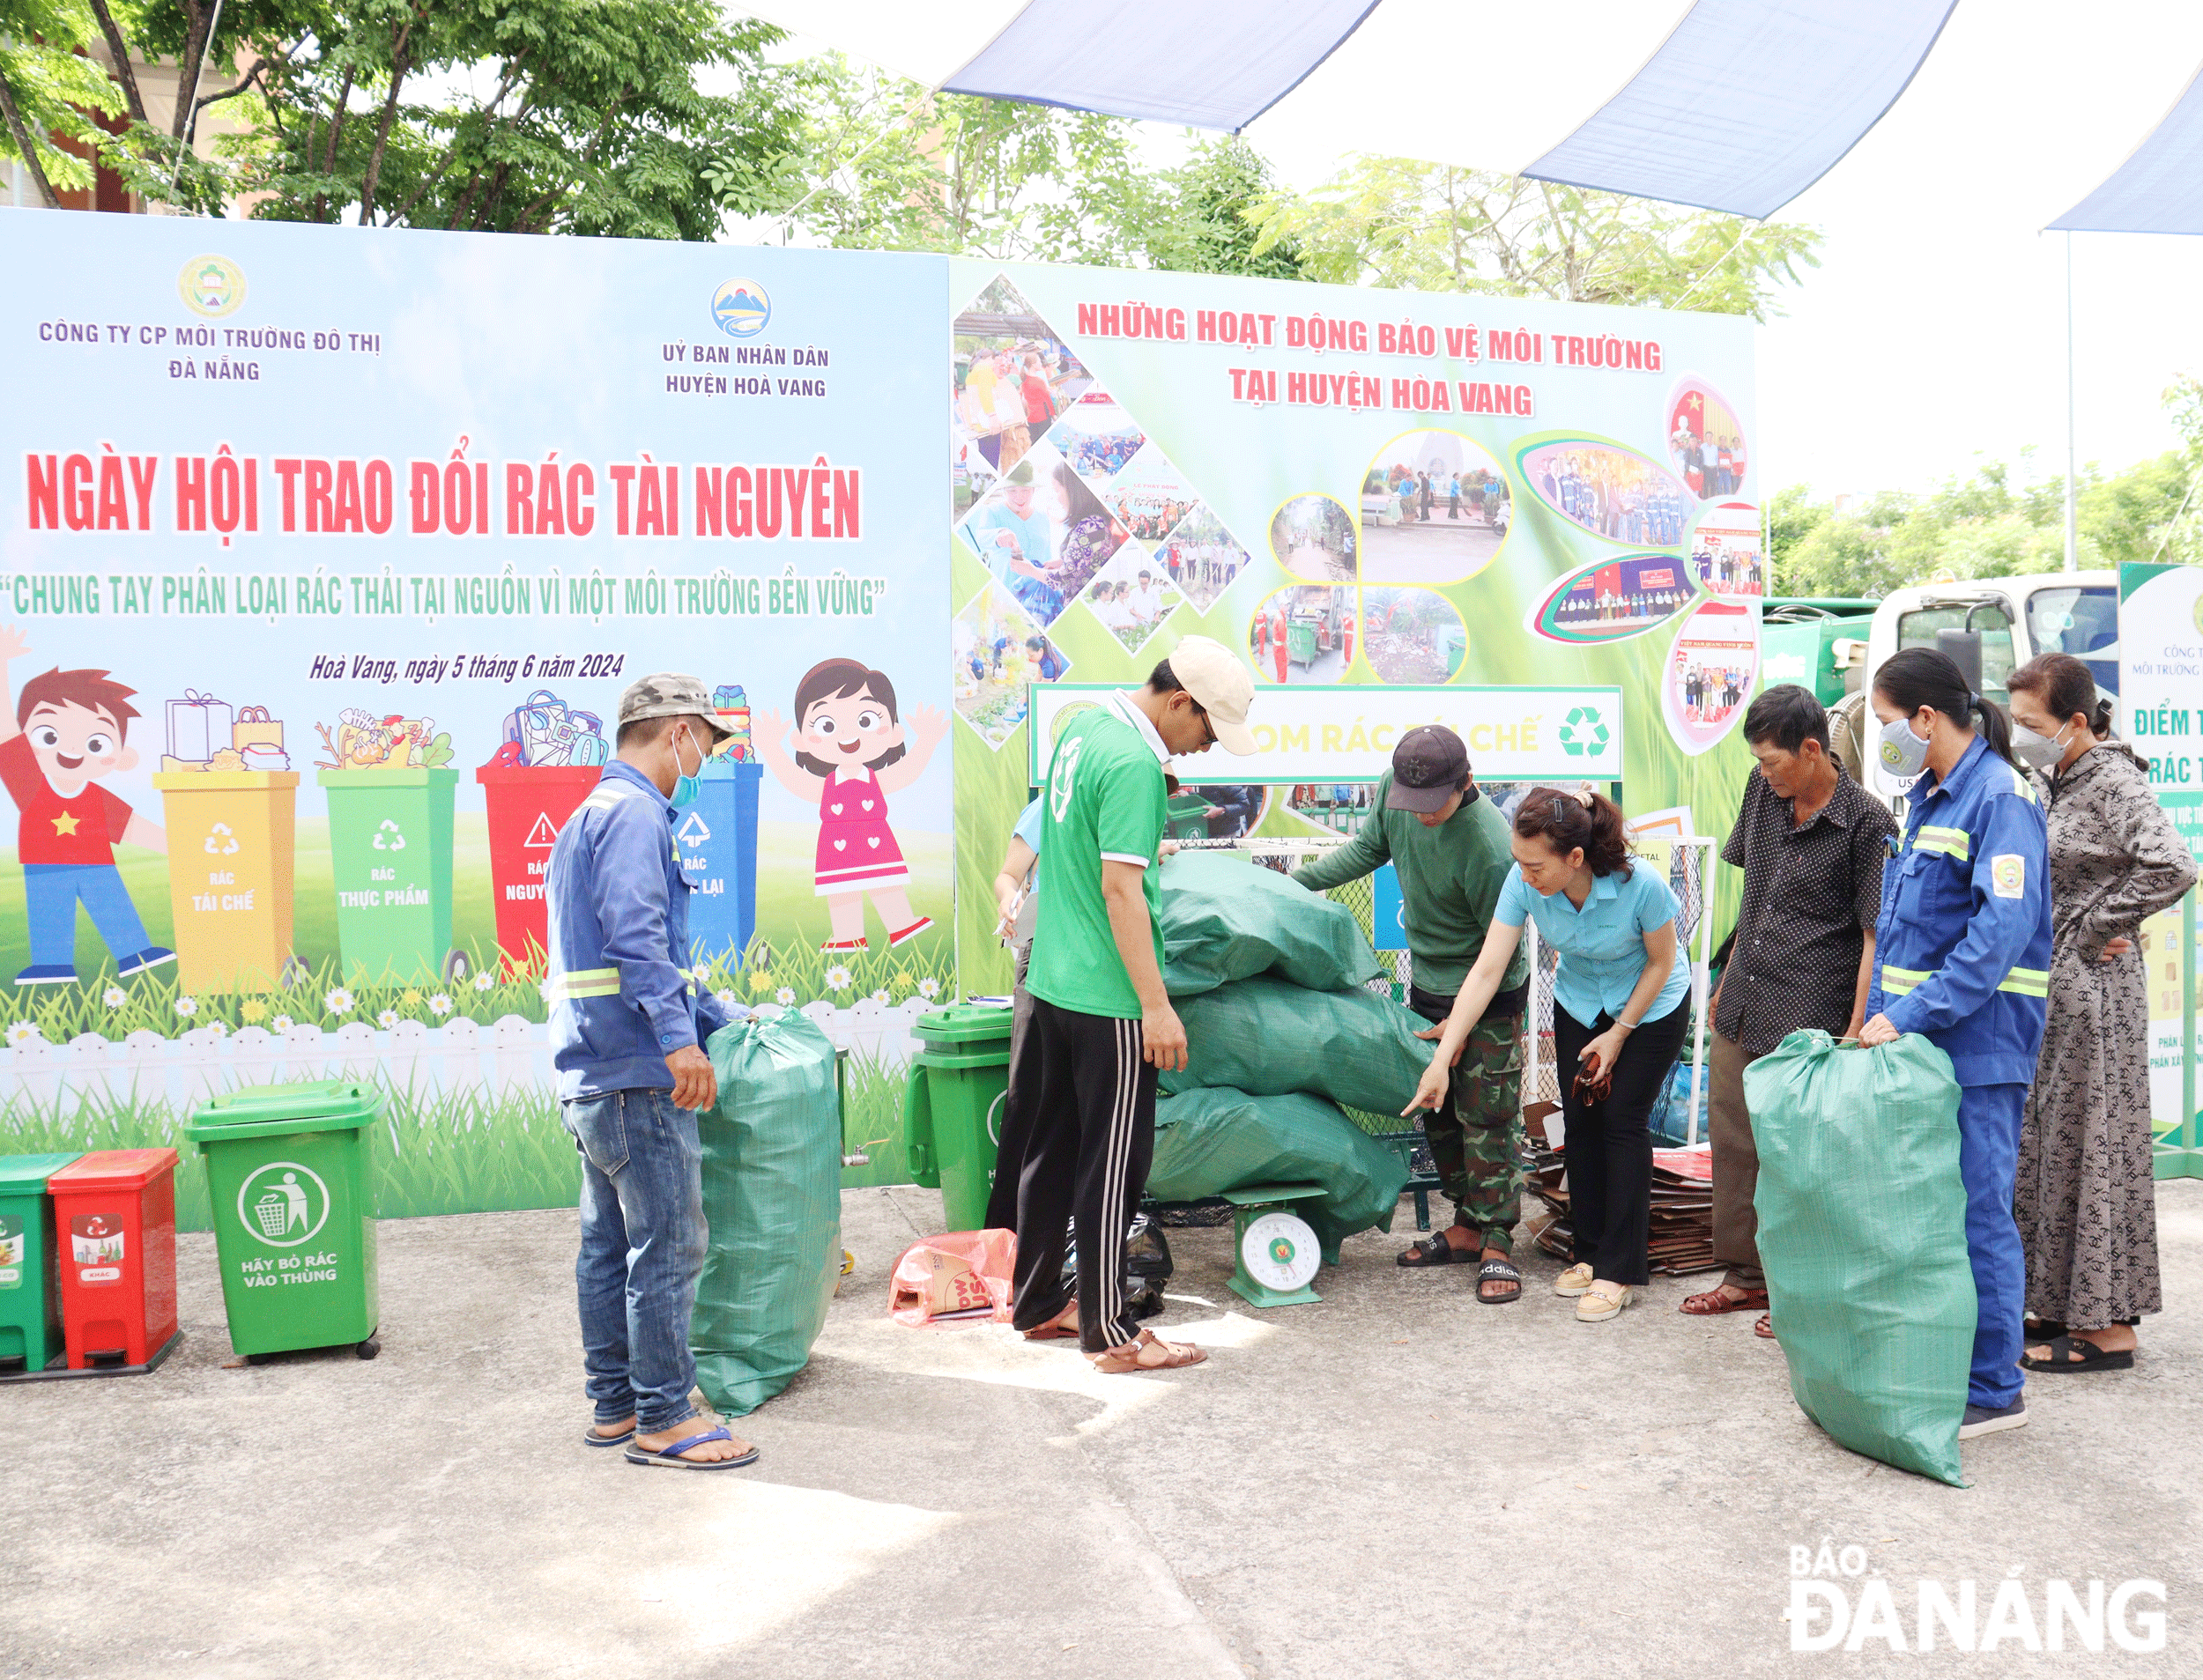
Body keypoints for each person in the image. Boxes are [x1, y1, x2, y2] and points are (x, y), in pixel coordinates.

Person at [990, 639, 1256, 1371]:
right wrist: (1156, 1006)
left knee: (1050, 1151)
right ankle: (1110, 1332)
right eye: (1207, 731)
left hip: (1050, 979)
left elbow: (1071, 847)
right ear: (1180, 702)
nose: (1204, 749)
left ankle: (1038, 1300)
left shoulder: (1084, 728)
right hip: (1107, 996)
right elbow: (1120, 890)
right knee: (1113, 1164)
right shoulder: (1136, 764)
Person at [549, 674, 751, 1469]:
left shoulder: (587, 815)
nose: (704, 760)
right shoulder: (636, 814)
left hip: (591, 1070)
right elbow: (636, 938)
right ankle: (664, 1415)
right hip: (636, 1069)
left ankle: (616, 1405)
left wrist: (718, 1018)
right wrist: (678, 1041)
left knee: (608, 1246)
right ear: (675, 732)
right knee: (668, 1244)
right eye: (705, 743)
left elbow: (640, 955)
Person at [1859, 648, 2053, 1439]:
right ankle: (1948, 1363)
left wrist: (1909, 1014)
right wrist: (1878, 1020)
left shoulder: (2000, 799)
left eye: (1885, 721)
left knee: (1978, 1216)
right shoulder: (1929, 799)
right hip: (1923, 1043)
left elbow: (1997, 936)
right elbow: (1904, 931)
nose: (1882, 737)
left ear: (1925, 717)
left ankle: (1996, 1387)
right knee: (1930, 1215)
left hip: (1980, 1045)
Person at [1409, 788, 1689, 1321]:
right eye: (1519, 862)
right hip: (1581, 1000)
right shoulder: (1523, 882)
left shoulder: (1641, 885)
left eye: (1535, 866)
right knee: (1578, 1121)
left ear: (1575, 858)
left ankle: (1619, 1271)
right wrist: (1441, 1059)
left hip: (1650, 1005)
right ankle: (1589, 1254)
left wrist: (1620, 1033)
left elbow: (1661, 962)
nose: (1525, 875)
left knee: (1621, 1120)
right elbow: (1488, 969)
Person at [1292, 727, 1532, 1302]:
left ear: (1467, 782)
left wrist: (1463, 1024)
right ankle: (1466, 1225)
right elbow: (1366, 850)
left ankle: (1498, 1239)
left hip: (1489, 993)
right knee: (1439, 1111)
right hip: (1430, 986)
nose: (1420, 813)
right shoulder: (1396, 793)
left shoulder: (1489, 845)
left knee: (1487, 1118)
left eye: (1433, 803)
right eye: (1410, 800)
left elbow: (1499, 953)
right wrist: (1294, 884)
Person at [1681, 685, 1895, 1333]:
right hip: (1745, 999)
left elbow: (1874, 935)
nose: (1765, 772)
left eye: (1773, 761)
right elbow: (1757, 895)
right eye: (1759, 761)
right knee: (1735, 1143)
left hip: (1813, 1016)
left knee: (1804, 1161)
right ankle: (1745, 1278)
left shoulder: (1868, 822)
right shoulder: (1762, 790)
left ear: (1811, 750)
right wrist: (1725, 982)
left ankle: (1801, 1291)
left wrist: (1855, 1029)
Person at [2006, 654, 2197, 1373]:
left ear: (2076, 721)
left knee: (2097, 1141)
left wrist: (2096, 923)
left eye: (2031, 723)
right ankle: (2061, 1305)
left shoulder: (2115, 780)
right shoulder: (2048, 779)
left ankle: (2111, 1326)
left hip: (2097, 989)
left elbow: (2173, 864)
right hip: (2052, 989)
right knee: (2052, 1145)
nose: (2021, 734)